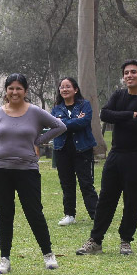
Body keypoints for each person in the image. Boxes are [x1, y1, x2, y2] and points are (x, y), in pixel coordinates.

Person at [0, 73, 66, 275]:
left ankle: (48, 255)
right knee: (4, 215)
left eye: (19, 88)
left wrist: (38, 141)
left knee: (34, 213)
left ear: (25, 91)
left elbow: (60, 126)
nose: (14, 92)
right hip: (0, 170)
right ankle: (4, 259)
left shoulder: (35, 112)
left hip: (27, 170)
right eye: (11, 88)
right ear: (6, 91)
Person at [76, 60, 137, 257]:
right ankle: (95, 241)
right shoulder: (118, 95)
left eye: (133, 72)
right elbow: (104, 114)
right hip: (116, 155)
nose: (129, 76)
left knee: (132, 199)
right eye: (126, 73)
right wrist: (130, 114)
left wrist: (120, 117)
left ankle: (126, 240)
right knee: (106, 198)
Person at [51, 76, 99, 227]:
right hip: (62, 150)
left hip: (83, 149)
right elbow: (55, 125)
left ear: (75, 89)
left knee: (86, 183)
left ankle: (96, 214)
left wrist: (64, 123)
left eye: (68, 86)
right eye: (62, 87)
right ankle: (69, 214)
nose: (64, 89)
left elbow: (84, 122)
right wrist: (72, 122)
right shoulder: (56, 108)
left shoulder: (85, 105)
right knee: (67, 184)